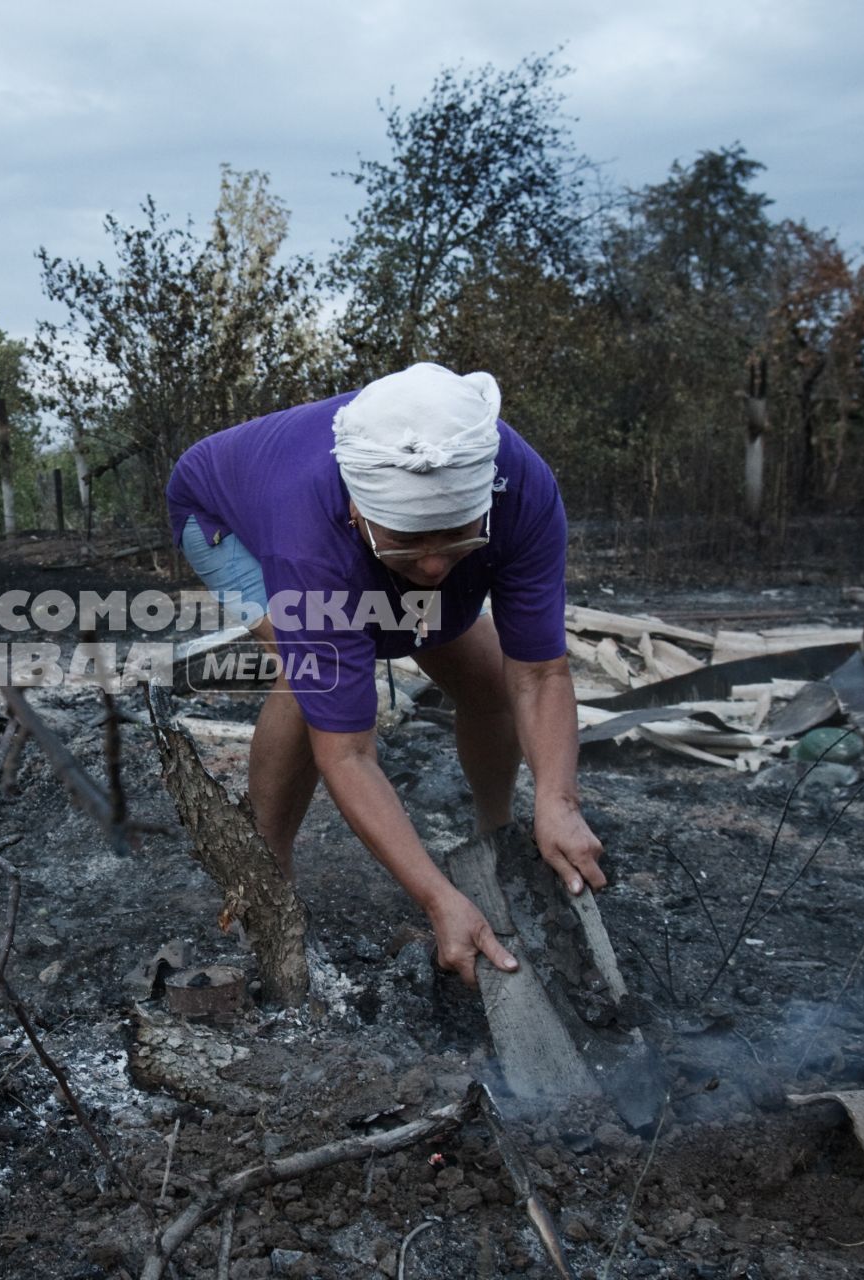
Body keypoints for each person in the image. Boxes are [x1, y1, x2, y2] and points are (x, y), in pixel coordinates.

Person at [165, 362, 605, 985]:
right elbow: (346, 752)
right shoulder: (308, 536)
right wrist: (435, 900)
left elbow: (537, 675)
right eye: (408, 543)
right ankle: (264, 879)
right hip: (220, 519)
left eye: (452, 538)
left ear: (485, 503)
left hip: (380, 535)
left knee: (487, 682)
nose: (431, 570)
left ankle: (498, 837)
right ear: (357, 510)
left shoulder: (522, 489)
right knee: (310, 682)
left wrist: (558, 802)